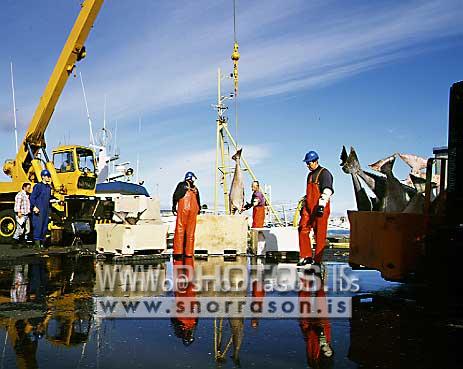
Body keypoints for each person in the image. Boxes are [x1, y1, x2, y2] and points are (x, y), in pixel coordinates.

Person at [298, 151, 334, 267]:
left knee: (319, 234)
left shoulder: (325, 173)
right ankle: (306, 256)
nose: (308, 165)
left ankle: (317, 260)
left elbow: (327, 190)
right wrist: (304, 205)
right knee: (302, 228)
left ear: (316, 161)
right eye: (307, 163)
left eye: (309, 163)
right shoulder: (310, 175)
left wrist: (322, 205)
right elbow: (308, 193)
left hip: (320, 208)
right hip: (309, 208)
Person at [172, 172, 201, 257]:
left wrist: (174, 206)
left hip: (183, 209)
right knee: (190, 232)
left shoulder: (182, 185)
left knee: (180, 229)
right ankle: (189, 252)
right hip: (193, 210)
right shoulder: (195, 188)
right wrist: (199, 210)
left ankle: (178, 252)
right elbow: (198, 201)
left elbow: (176, 196)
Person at [30, 170, 52, 249]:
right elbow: (32, 197)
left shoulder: (48, 187)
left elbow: (48, 198)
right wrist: (34, 207)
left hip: (46, 210)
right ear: (42, 176)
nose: (48, 178)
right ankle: (37, 245)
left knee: (44, 226)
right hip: (39, 209)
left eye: (49, 176)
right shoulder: (38, 186)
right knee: (38, 226)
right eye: (47, 176)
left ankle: (42, 243)